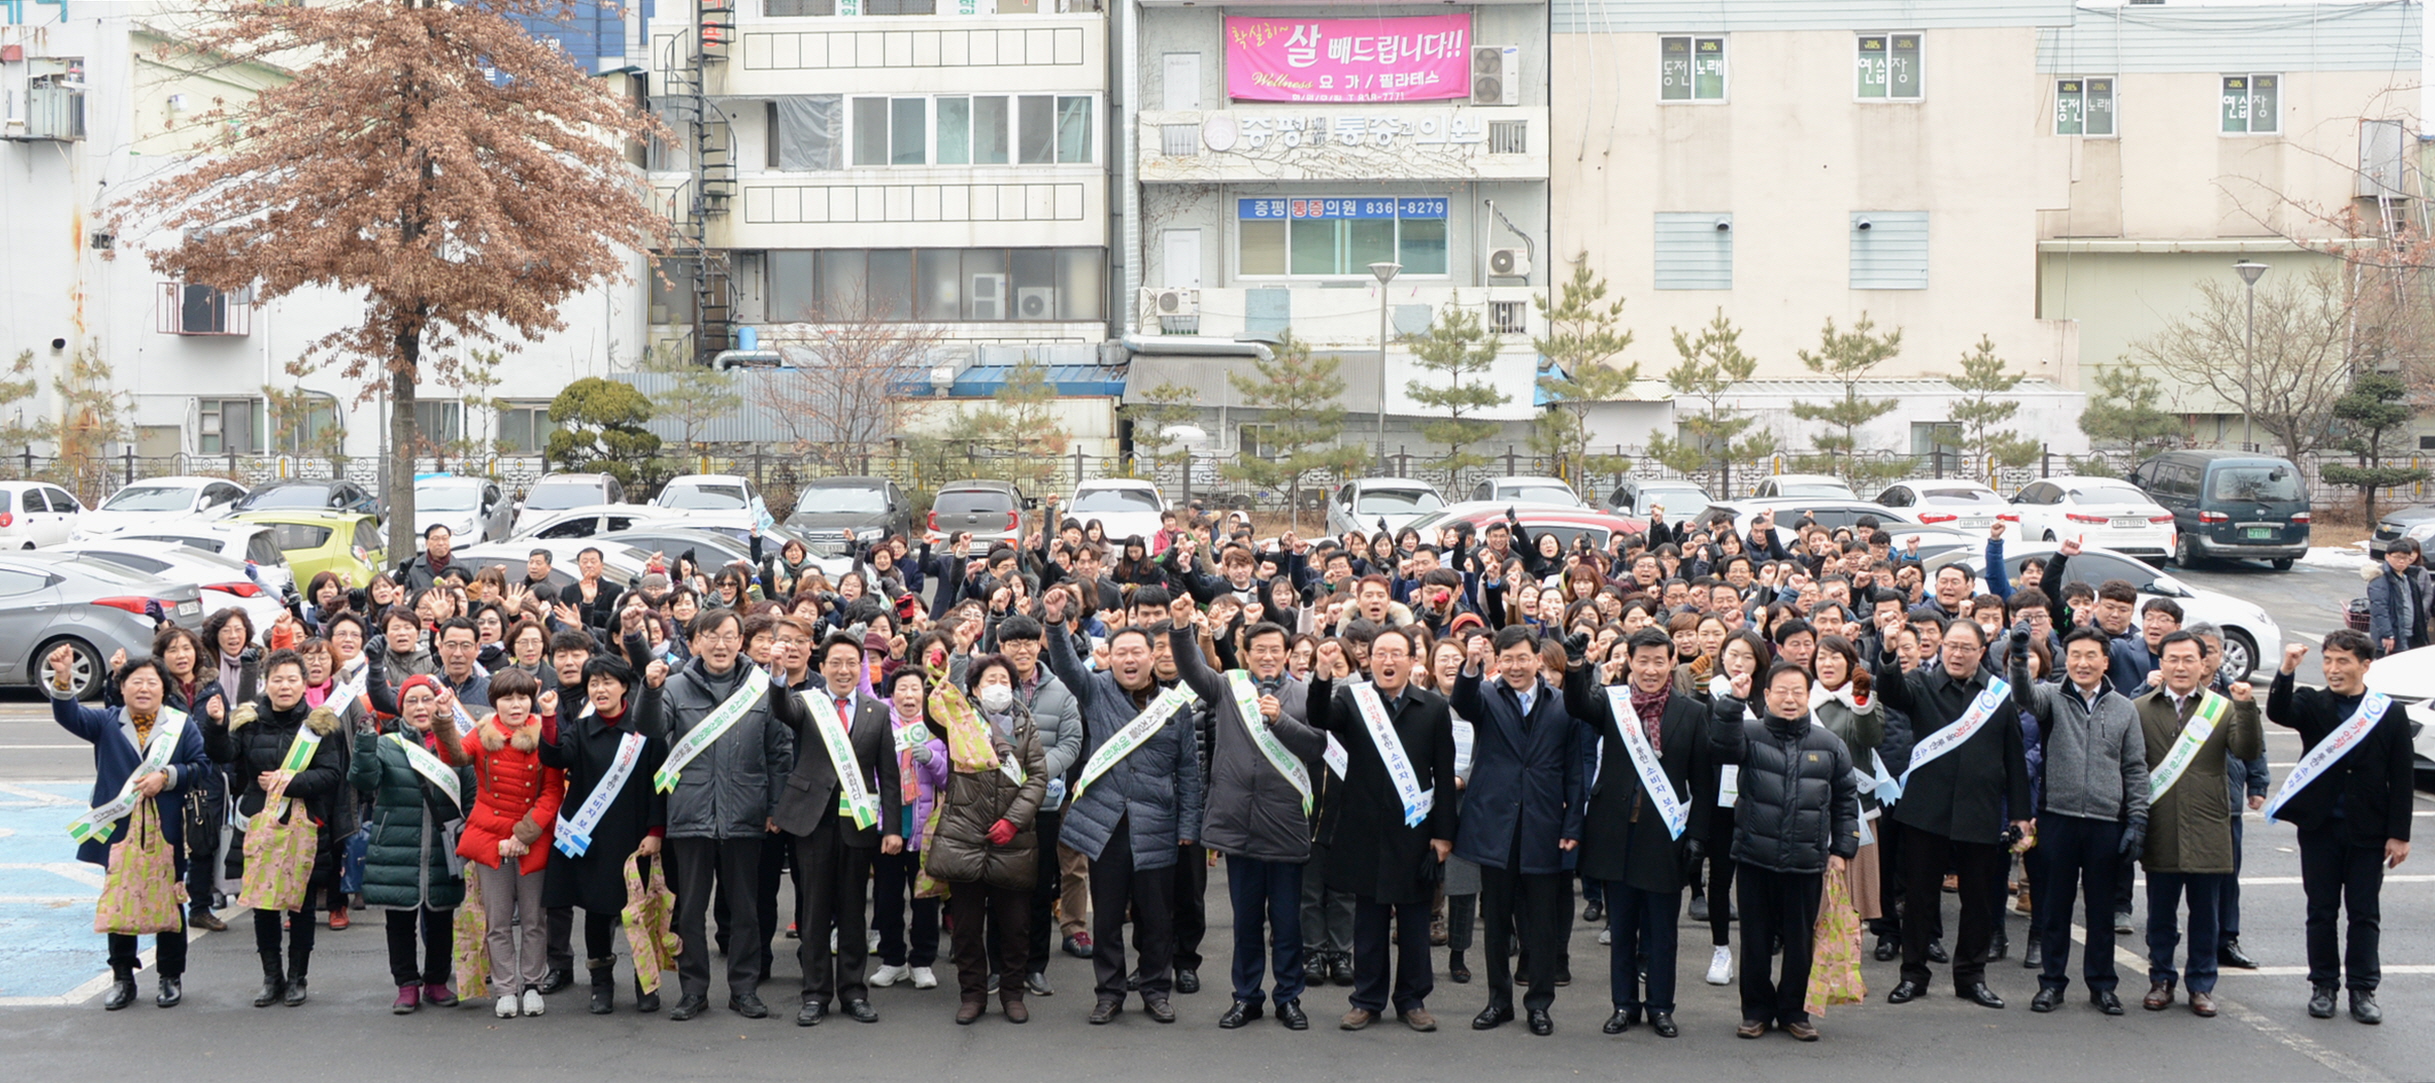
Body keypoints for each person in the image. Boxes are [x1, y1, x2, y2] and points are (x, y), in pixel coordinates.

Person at [1040, 591, 1205, 1025]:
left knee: (1157, 918)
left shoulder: (1175, 706)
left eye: (1137, 652)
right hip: (1107, 825)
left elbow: (1189, 771)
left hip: (1157, 823)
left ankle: (1155, 989)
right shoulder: (1095, 691)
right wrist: (1054, 622)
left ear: (1152, 657)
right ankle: (1109, 992)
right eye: (1121, 653)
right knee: (1109, 917)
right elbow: (1066, 666)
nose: (1129, 660)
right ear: (1109, 658)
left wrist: (1189, 827)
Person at [1171, 619, 1325, 1031]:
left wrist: (1281, 720)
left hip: (1285, 825)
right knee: (1246, 923)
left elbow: (1316, 747)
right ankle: (1246, 996)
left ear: (1288, 654)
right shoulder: (1228, 688)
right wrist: (1182, 628)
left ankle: (1288, 998)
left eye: (1275, 650)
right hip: (1239, 825)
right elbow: (1191, 668)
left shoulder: (1304, 694)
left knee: (1287, 924)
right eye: (1260, 650)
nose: (1268, 657)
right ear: (1246, 654)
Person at [1873, 617, 2031, 1010]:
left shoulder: (1997, 695)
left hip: (1980, 812)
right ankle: (1912, 975)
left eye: (1966, 648)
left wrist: (2020, 815)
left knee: (1978, 901)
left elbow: (2014, 756)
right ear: (1942, 647)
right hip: (1926, 813)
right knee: (1920, 899)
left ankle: (1971, 977)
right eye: (1951, 646)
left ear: (1982, 651)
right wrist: (1889, 653)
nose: (1957, 654)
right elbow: (1890, 691)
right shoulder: (1921, 684)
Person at [1306, 628, 1458, 1033]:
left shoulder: (1432, 708)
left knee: (1414, 922)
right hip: (1364, 829)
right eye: (1380, 654)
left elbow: (1444, 774)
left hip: (1414, 830)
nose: (1388, 661)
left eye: (1396, 654)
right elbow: (1319, 717)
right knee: (1369, 923)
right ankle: (1367, 1000)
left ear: (1412, 660)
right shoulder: (1353, 701)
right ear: (1368, 660)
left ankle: (1412, 999)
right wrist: (1322, 672)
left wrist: (1444, 834)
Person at [1568, 627, 1709, 1038]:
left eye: (1658, 661)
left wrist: (1698, 837)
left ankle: (1661, 1006)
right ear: (1629, 661)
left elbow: (1703, 781)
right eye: (1642, 661)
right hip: (1614, 833)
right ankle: (1623, 1005)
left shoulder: (1692, 712)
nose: (1650, 670)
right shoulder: (1613, 703)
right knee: (1622, 927)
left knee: (1662, 931)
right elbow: (1577, 704)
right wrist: (1576, 666)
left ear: (1672, 662)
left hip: (1664, 836)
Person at [2267, 632, 2413, 1024]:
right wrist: (2287, 669)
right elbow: (2279, 712)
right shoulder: (2313, 703)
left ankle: (2363, 989)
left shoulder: (2388, 712)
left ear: (2365, 665)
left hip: (2369, 831)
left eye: (2343, 661)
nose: (2333, 669)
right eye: (2328, 660)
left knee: (2364, 913)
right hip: (2320, 827)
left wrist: (2399, 834)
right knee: (2321, 910)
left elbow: (2402, 776)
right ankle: (2323, 986)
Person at [657, 607, 796, 1021]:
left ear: (741, 641)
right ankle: (693, 991)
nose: (721, 645)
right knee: (690, 911)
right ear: (696, 641)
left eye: (729, 636)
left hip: (745, 812)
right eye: (712, 636)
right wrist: (648, 691)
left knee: (745, 910)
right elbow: (650, 729)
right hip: (691, 814)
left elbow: (779, 751)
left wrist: (775, 806)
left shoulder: (761, 687)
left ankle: (744, 989)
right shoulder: (674, 687)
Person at [52, 648, 210, 1010]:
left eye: (151, 682)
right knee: (119, 901)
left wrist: (166, 776)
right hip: (119, 829)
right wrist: (62, 677)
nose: (143, 689)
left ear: (163, 689)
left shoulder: (180, 724)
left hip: (168, 829)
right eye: (136, 682)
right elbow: (68, 714)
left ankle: (170, 976)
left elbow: (201, 767)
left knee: (170, 901)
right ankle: (122, 977)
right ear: (122, 687)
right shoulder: (106, 722)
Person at [1709, 662, 1860, 1040]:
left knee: (1800, 942)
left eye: (1797, 692)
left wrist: (1842, 849)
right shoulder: (1750, 734)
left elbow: (1846, 801)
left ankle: (1795, 1011)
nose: (1789, 699)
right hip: (1754, 856)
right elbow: (1721, 747)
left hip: (1807, 860)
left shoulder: (1829, 745)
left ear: (1808, 696)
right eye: (1781, 691)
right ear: (1766, 695)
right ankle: (1756, 1011)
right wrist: (1732, 702)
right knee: (1755, 941)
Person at [1449, 626, 1582, 1037]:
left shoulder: (1561, 703)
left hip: (1544, 822)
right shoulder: (1487, 695)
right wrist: (1471, 665)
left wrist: (1573, 823)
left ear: (1538, 659)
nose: (1515, 667)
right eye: (1506, 659)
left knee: (1541, 922)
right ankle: (1498, 1001)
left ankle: (1539, 1004)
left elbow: (1575, 770)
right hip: (1495, 824)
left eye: (1522, 658)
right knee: (1496, 920)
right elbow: (1462, 702)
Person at [2010, 624, 2148, 1015]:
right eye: (2075, 656)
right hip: (2058, 818)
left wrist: (2137, 820)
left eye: (2091, 656)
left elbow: (2135, 767)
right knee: (2054, 907)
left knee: (2101, 911)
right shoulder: (2051, 698)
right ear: (2065, 660)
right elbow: (2022, 693)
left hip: (2107, 821)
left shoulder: (2124, 708)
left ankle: (2102, 986)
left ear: (2106, 661)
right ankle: (2052, 983)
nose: (2082, 663)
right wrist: (2019, 657)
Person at [775, 634, 903, 1027]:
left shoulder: (877, 712)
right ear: (823, 666)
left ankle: (853, 992)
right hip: (812, 822)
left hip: (857, 824)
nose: (843, 670)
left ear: (861, 668)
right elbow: (781, 708)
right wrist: (777, 674)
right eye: (836, 662)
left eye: (851, 663)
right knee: (814, 912)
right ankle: (815, 994)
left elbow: (889, 774)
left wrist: (892, 829)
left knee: (852, 912)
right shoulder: (807, 702)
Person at [2133, 630, 2262, 1018]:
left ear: (2204, 664)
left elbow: (2247, 749)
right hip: (2161, 823)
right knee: (2160, 914)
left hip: (2208, 824)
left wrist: (2246, 708)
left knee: (2206, 914)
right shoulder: (2140, 708)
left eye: (2189, 659)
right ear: (2161, 663)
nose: (2181, 666)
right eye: (2173, 659)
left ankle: (2202, 985)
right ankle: (2161, 979)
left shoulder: (2221, 708)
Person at [212, 648, 345, 1007]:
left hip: (304, 823)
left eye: (291, 679)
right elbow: (223, 755)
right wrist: (216, 725)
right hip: (260, 823)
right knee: (264, 905)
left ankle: (298, 977)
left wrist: (289, 781)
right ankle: (272, 977)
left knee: (301, 905)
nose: (284, 686)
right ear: (266, 683)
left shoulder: (319, 725)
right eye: (277, 679)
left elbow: (331, 775)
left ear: (304, 684)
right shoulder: (249, 721)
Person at [541, 652, 669, 1015]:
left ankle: (646, 982)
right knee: (597, 913)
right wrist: (548, 717)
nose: (600, 689)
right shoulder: (581, 729)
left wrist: (656, 830)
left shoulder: (646, 729)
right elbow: (556, 757)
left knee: (640, 912)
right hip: (592, 840)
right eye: (593, 683)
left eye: (607, 682)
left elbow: (660, 783)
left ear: (624, 686)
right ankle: (601, 984)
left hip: (635, 836)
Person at [927, 654, 1049, 1024]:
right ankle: (972, 995)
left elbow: (1037, 777)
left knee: (1015, 927)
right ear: (975, 689)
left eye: (1004, 681)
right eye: (990, 680)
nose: (998, 687)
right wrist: (936, 676)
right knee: (965, 929)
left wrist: (1014, 820)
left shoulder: (1024, 725)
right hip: (964, 835)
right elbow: (933, 717)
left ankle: (1012, 994)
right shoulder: (959, 721)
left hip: (1013, 841)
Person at [437, 667, 566, 1019]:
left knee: (534, 920)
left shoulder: (545, 735)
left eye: (522, 697)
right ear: (495, 702)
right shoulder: (483, 734)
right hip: (489, 837)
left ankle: (533, 985)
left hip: (532, 836)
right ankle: (505, 988)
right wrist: (444, 718)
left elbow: (553, 792)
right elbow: (453, 756)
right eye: (507, 698)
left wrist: (523, 835)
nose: (516, 705)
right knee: (497, 921)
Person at [351, 674, 473, 1014]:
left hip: (443, 848)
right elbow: (363, 781)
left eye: (426, 699)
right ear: (400, 708)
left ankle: (436, 982)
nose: (420, 707)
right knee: (399, 922)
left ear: (439, 703)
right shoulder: (387, 744)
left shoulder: (456, 744)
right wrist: (364, 742)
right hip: (396, 846)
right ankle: (406, 985)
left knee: (441, 919)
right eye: (411, 701)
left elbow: (471, 794)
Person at [871, 667, 948, 994]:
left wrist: (931, 758)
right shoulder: (879, 723)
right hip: (887, 826)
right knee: (887, 898)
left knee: (925, 900)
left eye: (915, 689)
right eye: (902, 688)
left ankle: (922, 961)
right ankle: (892, 960)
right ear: (892, 695)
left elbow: (949, 779)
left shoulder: (936, 727)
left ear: (924, 695)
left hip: (925, 830)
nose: (909, 695)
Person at [2365, 539, 2427, 655]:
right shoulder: (2380, 579)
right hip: (2390, 638)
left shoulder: (2409, 579)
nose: (2401, 561)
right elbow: (2379, 609)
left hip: (2408, 635)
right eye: (2397, 557)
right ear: (2387, 557)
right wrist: (2387, 634)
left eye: (2405, 557)